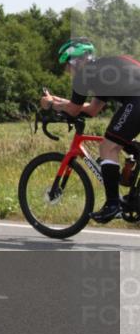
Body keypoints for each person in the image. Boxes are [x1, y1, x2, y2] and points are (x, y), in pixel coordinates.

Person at [40, 38, 140, 223]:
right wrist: (58, 100)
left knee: (107, 147)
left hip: (136, 102)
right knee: (118, 142)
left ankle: (112, 205)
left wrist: (51, 104)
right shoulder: (103, 71)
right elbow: (92, 109)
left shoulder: (84, 75)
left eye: (67, 65)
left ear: (77, 61)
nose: (67, 71)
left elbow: (73, 110)